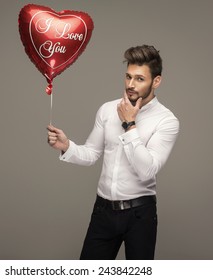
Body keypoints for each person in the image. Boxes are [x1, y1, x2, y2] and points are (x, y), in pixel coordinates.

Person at [47, 45, 179, 260]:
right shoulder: (107, 110)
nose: (130, 85)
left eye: (139, 79)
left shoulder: (167, 121)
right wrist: (66, 146)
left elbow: (148, 170)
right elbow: (91, 154)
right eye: (128, 77)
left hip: (140, 214)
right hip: (103, 211)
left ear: (156, 81)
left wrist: (129, 124)